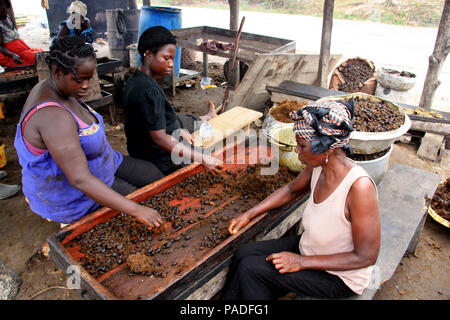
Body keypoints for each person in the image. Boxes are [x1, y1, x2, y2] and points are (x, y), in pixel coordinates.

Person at [221, 100, 381, 300]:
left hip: (338, 276)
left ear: (326, 148)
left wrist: (300, 262)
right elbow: (291, 189)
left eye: (301, 146)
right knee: (244, 253)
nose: (297, 150)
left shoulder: (359, 188)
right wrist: (250, 213)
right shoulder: (318, 167)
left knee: (250, 270)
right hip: (311, 248)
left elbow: (366, 256)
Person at [14, 36, 164, 227]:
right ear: (57, 72)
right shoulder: (53, 118)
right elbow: (80, 179)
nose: (86, 86)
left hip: (102, 162)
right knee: (142, 204)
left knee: (154, 176)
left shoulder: (59, 87)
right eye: (79, 79)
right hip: (73, 193)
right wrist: (136, 209)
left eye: (89, 77)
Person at [122, 26, 222, 176]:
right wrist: (203, 158)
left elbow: (149, 124)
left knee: (180, 123)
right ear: (148, 54)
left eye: (172, 59)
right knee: (210, 160)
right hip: (159, 158)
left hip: (141, 148)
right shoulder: (148, 90)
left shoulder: (135, 80)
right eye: (166, 58)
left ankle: (203, 120)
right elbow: (160, 138)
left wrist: (176, 131)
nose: (170, 64)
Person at [0, 0, 42, 68]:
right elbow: (0, 47)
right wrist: (13, 55)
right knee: (39, 58)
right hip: (11, 53)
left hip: (21, 48)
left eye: (2, 5)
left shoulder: (6, 17)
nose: (1, 8)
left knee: (41, 54)